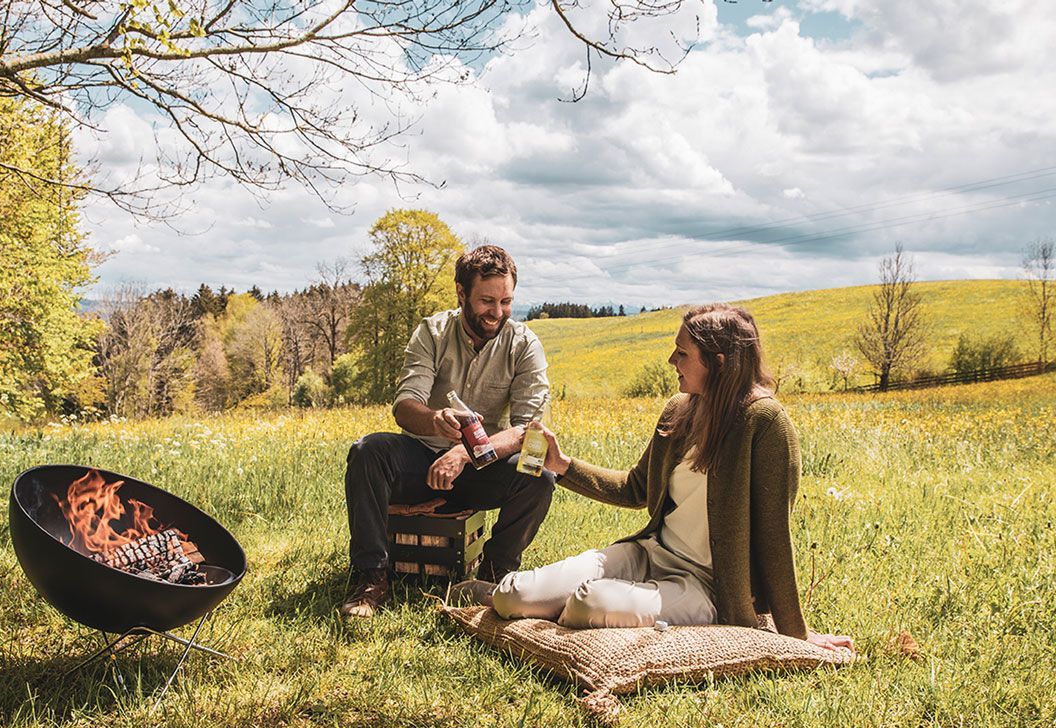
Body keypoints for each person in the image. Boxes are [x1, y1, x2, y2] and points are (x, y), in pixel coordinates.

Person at [490, 303, 854, 651]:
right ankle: (499, 595)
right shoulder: (679, 410)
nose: (672, 361)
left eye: (682, 354)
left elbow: (775, 537)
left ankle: (578, 611)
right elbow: (636, 488)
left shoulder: (766, 424)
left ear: (719, 363)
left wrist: (796, 632)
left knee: (588, 603)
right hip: (650, 552)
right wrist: (562, 465)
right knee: (513, 597)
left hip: (706, 585)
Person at [341, 245, 556, 617]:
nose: (497, 312)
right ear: (461, 293)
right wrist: (434, 419)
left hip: (482, 469)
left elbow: (530, 428)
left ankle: (493, 573)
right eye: (487, 301)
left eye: (506, 301)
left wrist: (465, 452)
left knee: (540, 476)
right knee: (367, 451)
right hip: (423, 460)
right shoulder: (432, 332)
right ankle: (370, 578)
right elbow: (405, 405)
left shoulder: (524, 344)